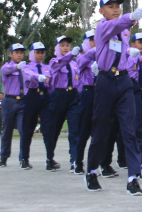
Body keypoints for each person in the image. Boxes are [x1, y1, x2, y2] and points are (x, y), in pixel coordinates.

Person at [84, 0, 142, 196]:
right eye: (110, 6)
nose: (116, 9)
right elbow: (116, 27)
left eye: (118, 5)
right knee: (100, 129)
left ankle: (133, 178)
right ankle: (92, 171)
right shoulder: (103, 27)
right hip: (106, 81)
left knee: (130, 129)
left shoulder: (124, 31)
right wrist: (131, 17)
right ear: (101, 11)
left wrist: (129, 52)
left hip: (124, 80)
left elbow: (119, 47)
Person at [21, 41, 58, 171]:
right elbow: (29, 76)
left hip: (45, 98)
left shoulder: (47, 67)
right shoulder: (27, 67)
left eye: (42, 52)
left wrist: (52, 97)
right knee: (28, 128)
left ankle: (50, 159)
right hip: (32, 96)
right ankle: (24, 159)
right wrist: (38, 77)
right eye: (37, 52)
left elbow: (51, 84)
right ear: (32, 53)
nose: (40, 55)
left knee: (48, 129)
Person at [48, 35, 81, 172]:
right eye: (62, 45)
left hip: (73, 96)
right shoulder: (54, 62)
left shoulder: (74, 63)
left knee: (74, 130)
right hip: (59, 95)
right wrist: (71, 55)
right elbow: (61, 63)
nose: (66, 48)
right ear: (57, 48)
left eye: (67, 45)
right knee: (54, 129)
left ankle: (75, 160)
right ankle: (50, 158)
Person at [0, 43, 27, 167]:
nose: (19, 55)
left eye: (21, 53)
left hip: (23, 101)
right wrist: (17, 67)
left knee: (23, 130)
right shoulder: (7, 66)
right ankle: (3, 157)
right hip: (10, 101)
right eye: (17, 52)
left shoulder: (25, 67)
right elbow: (6, 70)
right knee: (7, 130)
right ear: (11, 54)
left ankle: (23, 158)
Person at [74, 30, 97, 175]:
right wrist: (94, 51)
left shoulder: (102, 56)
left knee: (99, 130)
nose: (95, 42)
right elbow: (82, 63)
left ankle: (95, 163)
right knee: (84, 130)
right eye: (92, 40)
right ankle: (78, 161)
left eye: (97, 39)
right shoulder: (81, 57)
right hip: (88, 93)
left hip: (100, 92)